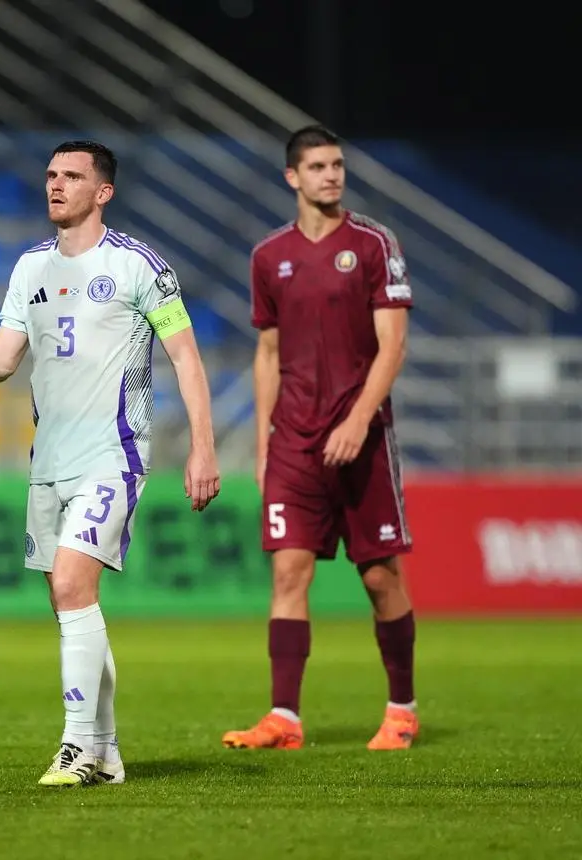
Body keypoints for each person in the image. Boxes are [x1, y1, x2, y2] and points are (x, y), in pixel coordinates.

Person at [0, 140, 221, 786]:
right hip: (49, 462)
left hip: (113, 456)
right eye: (50, 175)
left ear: (104, 193)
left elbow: (187, 358)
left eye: (72, 176)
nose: (56, 185)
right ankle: (109, 751)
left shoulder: (139, 266)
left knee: (72, 587)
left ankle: (76, 747)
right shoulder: (30, 268)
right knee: (73, 607)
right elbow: (4, 358)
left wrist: (203, 446)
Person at [223, 124, 417, 752]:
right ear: (293, 177)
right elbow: (268, 352)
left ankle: (401, 709)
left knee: (380, 578)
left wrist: (359, 419)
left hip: (363, 436)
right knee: (288, 574)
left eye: (337, 165)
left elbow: (394, 345)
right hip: (294, 443)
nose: (331, 175)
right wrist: (262, 445)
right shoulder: (268, 257)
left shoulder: (372, 244)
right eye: (318, 167)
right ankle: (284, 718)